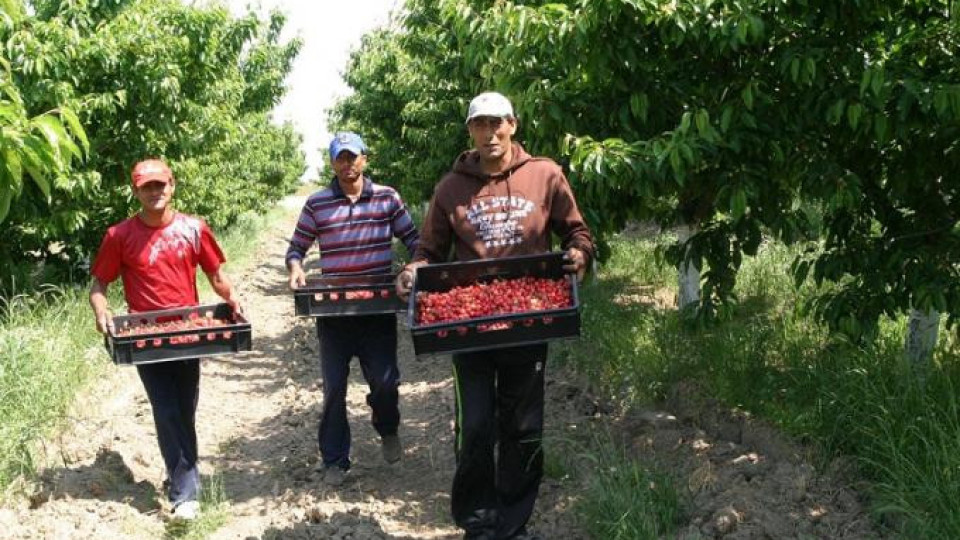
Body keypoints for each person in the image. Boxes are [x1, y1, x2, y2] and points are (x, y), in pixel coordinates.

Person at [396, 92, 594, 540]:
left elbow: (577, 232)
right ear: (470, 131)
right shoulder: (452, 187)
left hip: (530, 320)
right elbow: (429, 251)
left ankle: (513, 522)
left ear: (513, 125)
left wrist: (579, 256)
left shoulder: (545, 175)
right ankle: (479, 520)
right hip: (470, 327)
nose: (489, 133)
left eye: (496, 123)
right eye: (479, 125)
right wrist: (413, 271)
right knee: (477, 426)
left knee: (523, 427)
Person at [89, 158, 242, 521]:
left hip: (188, 334)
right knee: (166, 408)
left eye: (160, 185)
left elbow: (215, 273)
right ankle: (185, 494)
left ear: (172, 186)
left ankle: (181, 473)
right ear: (136, 191)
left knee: (184, 408)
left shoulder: (193, 229)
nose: (155, 192)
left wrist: (231, 295)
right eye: (147, 187)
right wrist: (101, 311)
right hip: (145, 337)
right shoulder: (119, 236)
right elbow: (100, 284)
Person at [286, 132, 419, 487]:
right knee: (334, 388)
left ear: (365, 159)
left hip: (376, 310)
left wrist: (410, 269)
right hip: (334, 313)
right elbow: (296, 248)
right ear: (332, 163)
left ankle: (387, 427)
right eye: (340, 158)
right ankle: (334, 459)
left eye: (353, 156)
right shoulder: (317, 205)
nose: (348, 164)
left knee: (386, 383)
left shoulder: (387, 198)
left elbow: (415, 241)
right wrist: (296, 269)